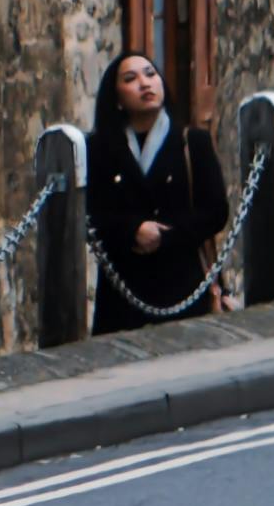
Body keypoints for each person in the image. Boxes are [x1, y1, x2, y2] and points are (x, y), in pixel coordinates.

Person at [85, 43, 228, 330]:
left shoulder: (192, 142)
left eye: (150, 74)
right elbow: (91, 215)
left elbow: (215, 211)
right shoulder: (99, 150)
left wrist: (167, 237)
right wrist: (132, 232)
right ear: (117, 98)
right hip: (123, 291)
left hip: (183, 285)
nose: (144, 83)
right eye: (131, 79)